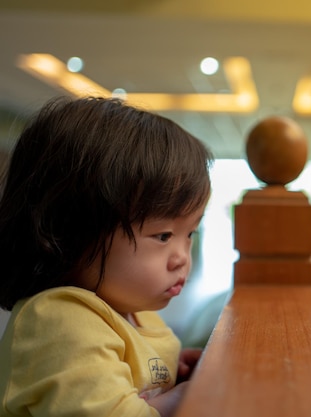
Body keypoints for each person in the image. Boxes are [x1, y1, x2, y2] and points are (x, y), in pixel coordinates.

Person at [0, 96, 214, 417]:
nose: (181, 258)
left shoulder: (133, 309)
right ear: (69, 229)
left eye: (189, 234)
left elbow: (133, 369)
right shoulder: (59, 321)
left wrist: (174, 370)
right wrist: (184, 396)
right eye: (163, 236)